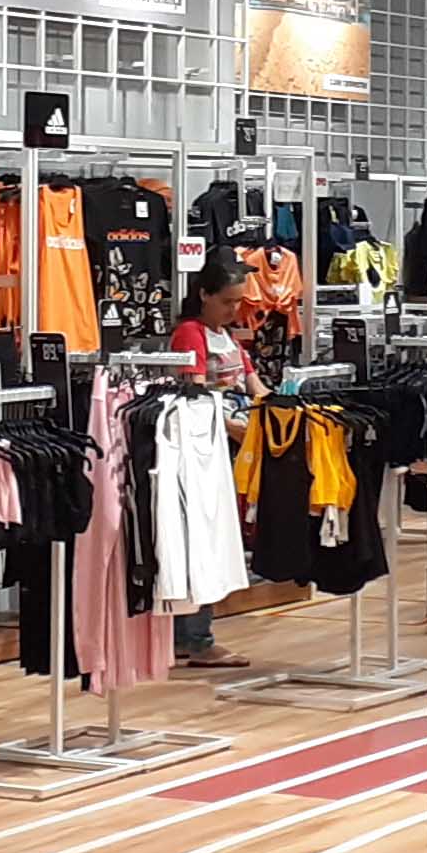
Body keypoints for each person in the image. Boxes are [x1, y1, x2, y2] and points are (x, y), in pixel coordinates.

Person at [170, 254, 258, 669]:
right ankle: (196, 638)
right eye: (227, 301)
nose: (234, 309)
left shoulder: (228, 338)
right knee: (200, 541)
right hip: (205, 448)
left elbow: (255, 385)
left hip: (233, 442)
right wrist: (234, 428)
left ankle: (189, 637)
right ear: (204, 294)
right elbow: (194, 398)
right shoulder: (190, 335)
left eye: (238, 301)